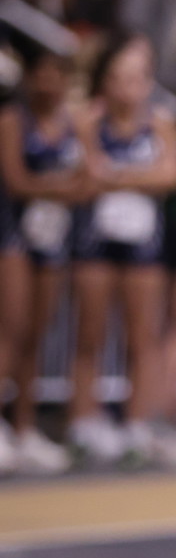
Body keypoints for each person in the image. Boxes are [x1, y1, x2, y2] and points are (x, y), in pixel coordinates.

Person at [67, 34, 176, 464]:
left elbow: (173, 175)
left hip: (143, 245)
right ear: (104, 81)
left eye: (136, 78)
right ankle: (83, 423)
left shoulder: (159, 122)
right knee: (90, 333)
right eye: (118, 78)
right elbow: (86, 177)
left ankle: (137, 424)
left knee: (143, 336)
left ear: (148, 82)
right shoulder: (88, 120)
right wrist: (139, 176)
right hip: (95, 241)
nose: (127, 87)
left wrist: (117, 176)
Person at [0, 48, 85, 473]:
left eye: (59, 75)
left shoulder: (74, 123)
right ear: (30, 78)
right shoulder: (13, 121)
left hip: (53, 238)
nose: (51, 84)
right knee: (11, 329)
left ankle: (25, 426)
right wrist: (62, 187)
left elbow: (90, 179)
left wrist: (61, 188)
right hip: (13, 234)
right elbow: (16, 181)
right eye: (44, 75)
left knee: (36, 332)